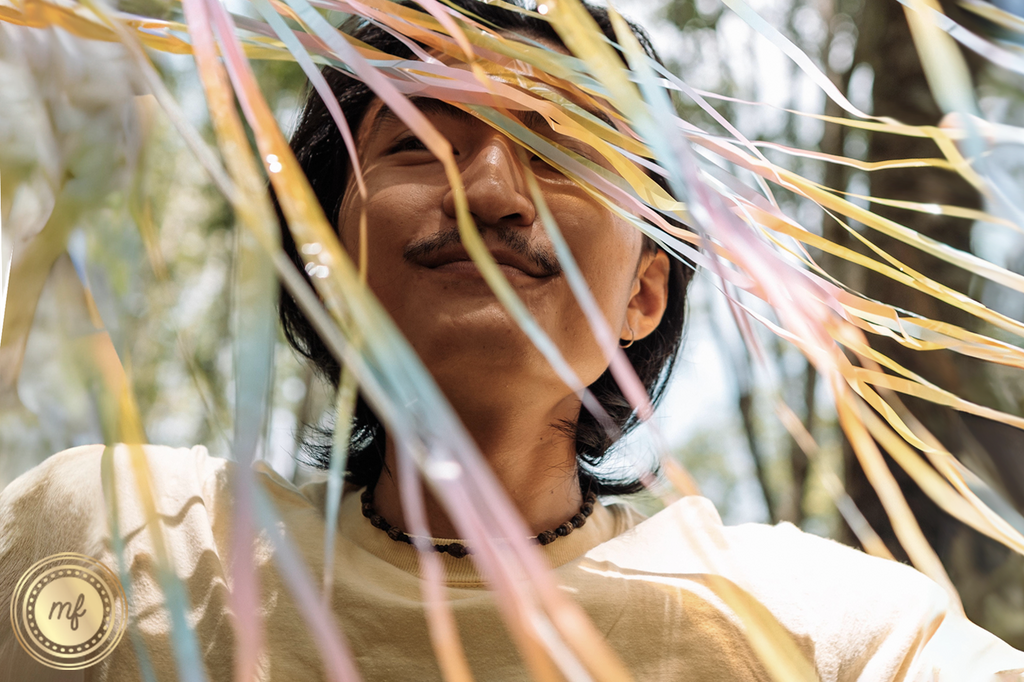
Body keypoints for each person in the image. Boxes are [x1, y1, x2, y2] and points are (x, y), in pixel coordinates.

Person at [1, 1, 1023, 680]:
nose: (489, 191)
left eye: (561, 150)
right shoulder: (107, 534)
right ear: (324, 258)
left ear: (643, 294)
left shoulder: (826, 630)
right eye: (417, 141)